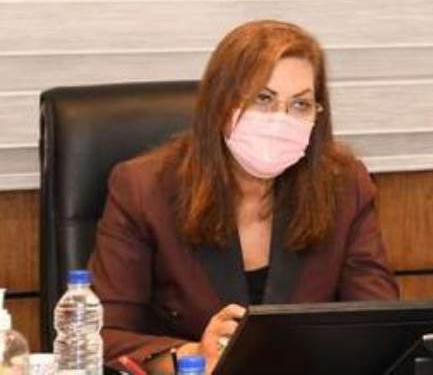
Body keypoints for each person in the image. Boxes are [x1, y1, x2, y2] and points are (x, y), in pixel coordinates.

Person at [88, 20, 399, 373]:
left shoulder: (344, 186)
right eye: (263, 99)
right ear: (221, 104)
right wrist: (192, 354)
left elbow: (380, 327)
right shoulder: (144, 189)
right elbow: (100, 337)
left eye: (300, 104)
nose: (281, 120)